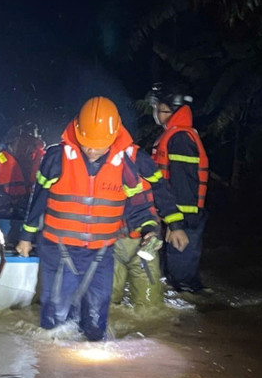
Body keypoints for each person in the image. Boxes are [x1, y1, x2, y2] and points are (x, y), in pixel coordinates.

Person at [16, 97, 159, 341]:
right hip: (59, 250)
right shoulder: (55, 158)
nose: (91, 150)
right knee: (56, 324)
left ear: (113, 138)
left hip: (101, 254)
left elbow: (138, 205)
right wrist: (26, 238)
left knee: (94, 327)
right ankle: (52, 373)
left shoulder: (125, 164)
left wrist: (150, 229)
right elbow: (38, 201)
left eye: (98, 145)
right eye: (87, 144)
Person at [147, 85, 210, 293]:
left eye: (160, 108)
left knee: (182, 280)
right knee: (174, 275)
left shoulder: (180, 138)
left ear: (171, 111)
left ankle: (194, 319)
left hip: (184, 218)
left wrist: (177, 225)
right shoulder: (173, 135)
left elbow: (184, 183)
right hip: (177, 215)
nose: (156, 113)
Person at [111, 143, 189, 307]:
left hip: (144, 240)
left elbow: (160, 189)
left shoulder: (137, 157)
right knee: (105, 305)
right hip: (109, 244)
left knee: (150, 309)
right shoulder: (85, 160)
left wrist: (175, 225)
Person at [0, 122, 46, 217]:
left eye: (31, 143)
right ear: (15, 140)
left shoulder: (39, 158)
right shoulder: (0, 158)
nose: (29, 146)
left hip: (28, 211)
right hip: (3, 212)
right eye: (25, 141)